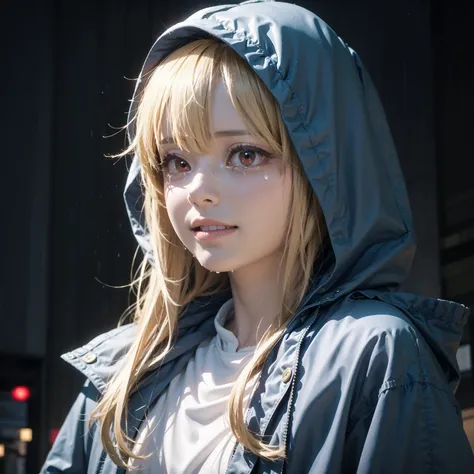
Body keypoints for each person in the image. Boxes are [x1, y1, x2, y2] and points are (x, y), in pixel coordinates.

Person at [41, 1, 474, 473]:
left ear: (321, 163)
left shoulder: (376, 355)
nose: (199, 191)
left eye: (245, 154)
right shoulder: (123, 372)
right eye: (176, 161)